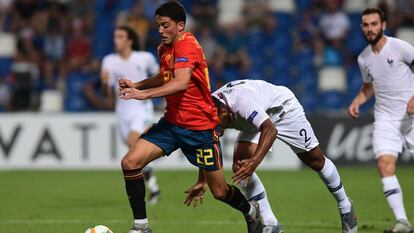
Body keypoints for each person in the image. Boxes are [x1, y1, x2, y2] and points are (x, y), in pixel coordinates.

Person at [118, 2, 263, 233]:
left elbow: (181, 82)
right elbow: (166, 77)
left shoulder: (188, 46)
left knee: (220, 191)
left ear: (180, 25)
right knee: (130, 163)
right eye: (158, 26)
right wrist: (138, 83)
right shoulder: (164, 48)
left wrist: (142, 94)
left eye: (165, 26)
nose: (161, 31)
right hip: (171, 124)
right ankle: (141, 227)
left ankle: (251, 211)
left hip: (200, 129)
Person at [187, 79, 358, 233]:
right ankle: (271, 223)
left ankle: (345, 205)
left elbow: (270, 129)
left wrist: (255, 161)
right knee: (240, 166)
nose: (213, 127)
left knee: (315, 160)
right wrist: (203, 179)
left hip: (282, 111)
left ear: (224, 112)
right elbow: (207, 141)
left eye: (215, 123)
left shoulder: (241, 104)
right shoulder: (210, 109)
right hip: (254, 121)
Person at [348, 7, 414, 233]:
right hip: (385, 118)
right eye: (365, 25)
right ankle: (403, 221)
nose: (370, 29)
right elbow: (369, 87)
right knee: (385, 165)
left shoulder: (400, 47)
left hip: (412, 116)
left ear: (383, 25)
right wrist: (357, 101)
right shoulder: (363, 58)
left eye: (374, 24)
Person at [101, 26, 161, 204]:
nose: (116, 40)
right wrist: (105, 83)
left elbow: (160, 77)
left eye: (120, 36)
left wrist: (152, 94)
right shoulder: (109, 61)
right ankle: (154, 187)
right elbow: (107, 93)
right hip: (122, 110)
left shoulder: (144, 58)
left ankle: (149, 191)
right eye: (115, 36)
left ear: (129, 41)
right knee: (133, 152)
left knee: (132, 143)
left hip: (141, 108)